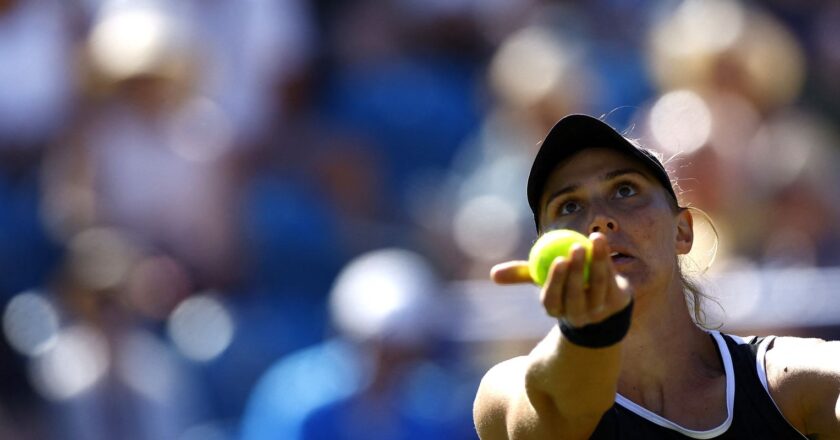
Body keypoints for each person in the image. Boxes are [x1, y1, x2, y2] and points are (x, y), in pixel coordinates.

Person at [472, 114, 840, 439]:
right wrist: (590, 332)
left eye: (625, 190)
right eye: (569, 206)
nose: (599, 219)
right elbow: (553, 421)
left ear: (682, 232)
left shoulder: (790, 381)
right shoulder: (504, 392)